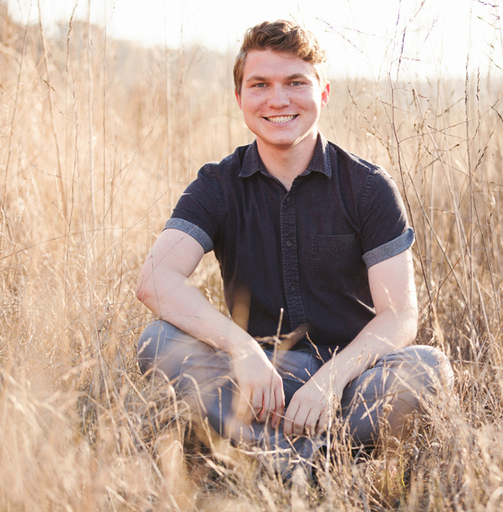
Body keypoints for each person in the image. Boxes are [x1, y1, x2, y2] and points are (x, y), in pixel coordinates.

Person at [135, 20, 453, 477]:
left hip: (348, 382)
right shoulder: (217, 185)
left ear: (322, 93)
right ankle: (304, 467)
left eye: (295, 83)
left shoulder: (368, 188)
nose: (278, 100)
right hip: (254, 387)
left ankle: (271, 463)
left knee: (427, 370)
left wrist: (330, 380)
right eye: (260, 84)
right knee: (158, 342)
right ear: (240, 97)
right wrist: (242, 350)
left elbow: (400, 315)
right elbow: (155, 280)